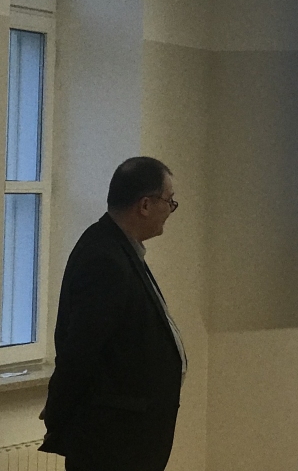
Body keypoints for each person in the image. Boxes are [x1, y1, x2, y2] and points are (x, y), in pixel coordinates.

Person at [40, 157, 187, 471]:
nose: (170, 210)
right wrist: (57, 415)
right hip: (111, 443)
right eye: (169, 201)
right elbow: (80, 352)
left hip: (127, 440)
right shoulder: (104, 258)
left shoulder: (119, 248)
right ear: (145, 205)